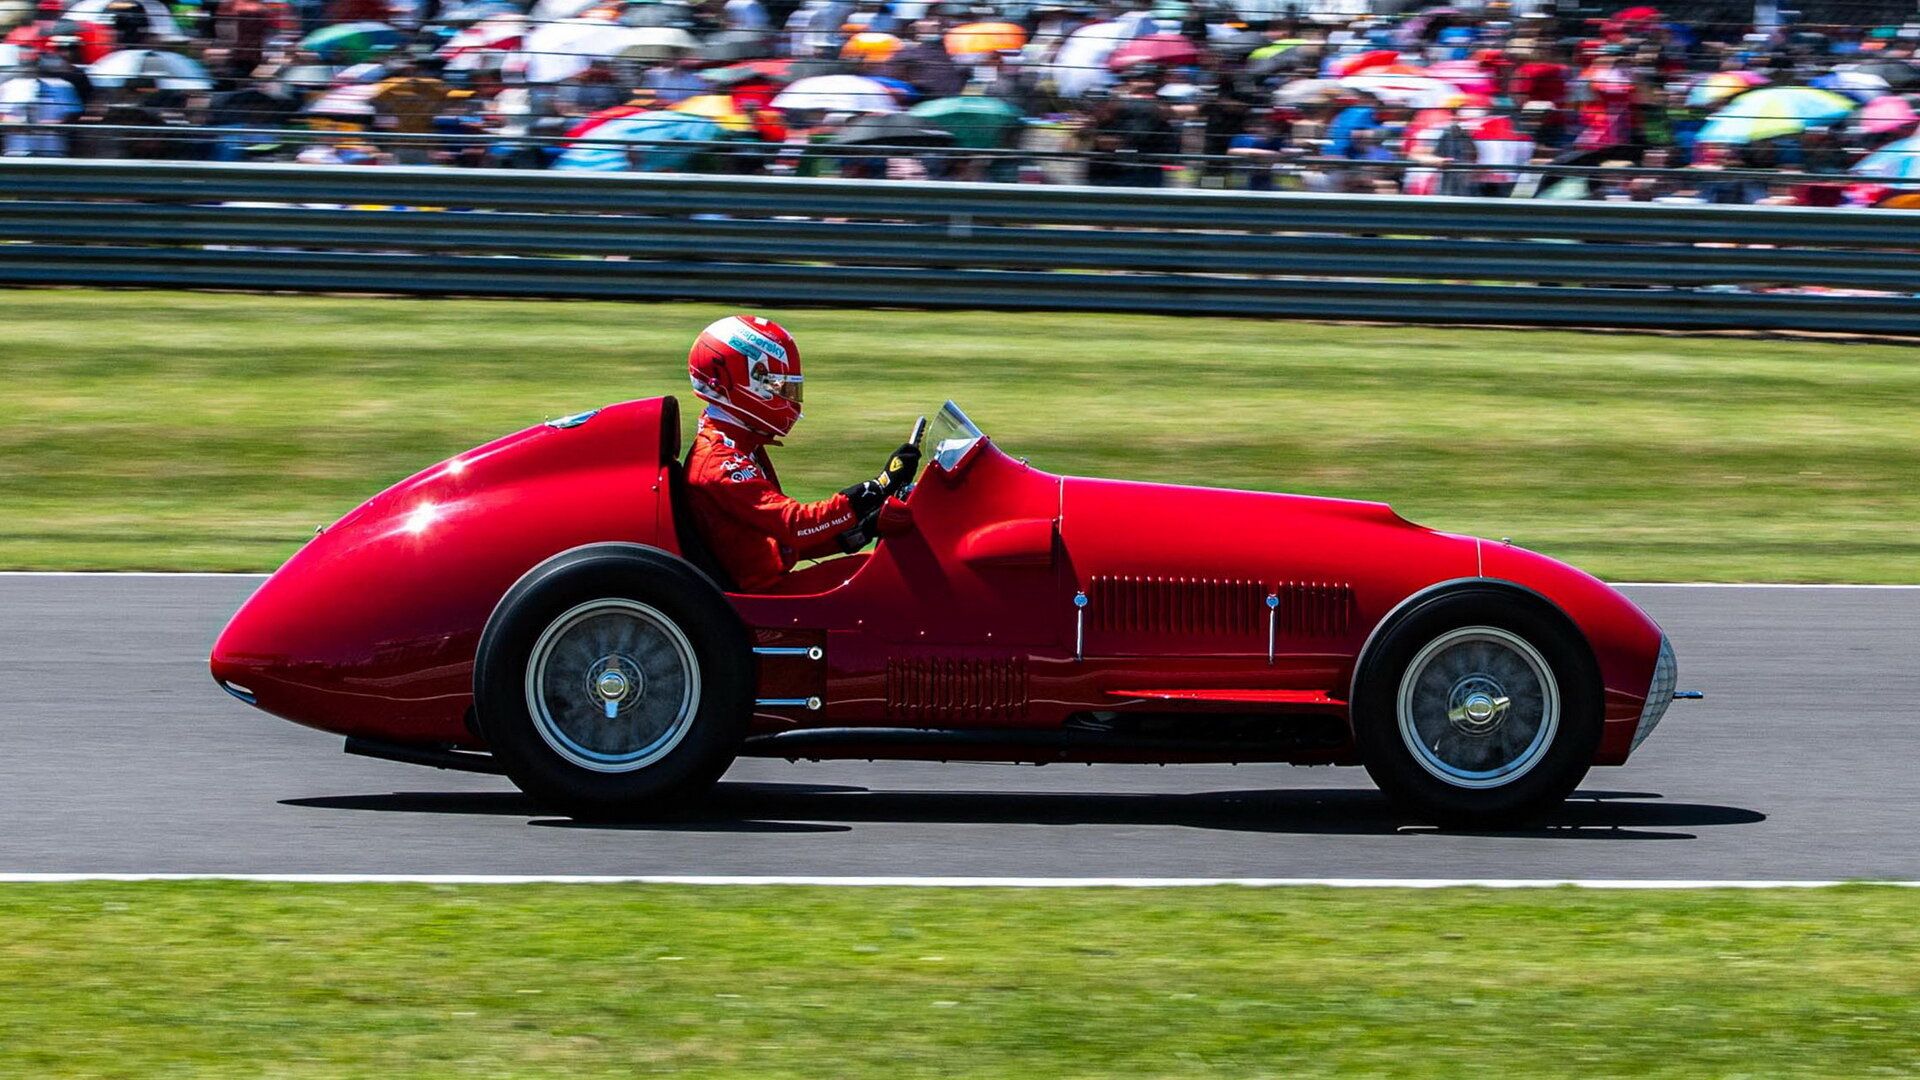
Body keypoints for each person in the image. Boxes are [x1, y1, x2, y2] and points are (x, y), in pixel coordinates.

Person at [683, 316, 918, 593]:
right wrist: (876, 488)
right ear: (733, 381)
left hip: (769, 585)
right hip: (764, 601)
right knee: (899, 583)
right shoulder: (719, 461)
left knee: (891, 568)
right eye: (778, 386)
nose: (789, 396)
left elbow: (782, 542)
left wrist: (865, 528)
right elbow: (794, 525)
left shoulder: (739, 443)